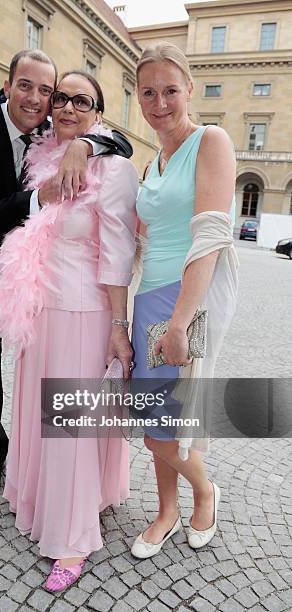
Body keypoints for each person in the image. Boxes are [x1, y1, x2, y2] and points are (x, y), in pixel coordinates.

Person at [0, 50, 132, 502]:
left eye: (46, 92)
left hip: (45, 278)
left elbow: (119, 144)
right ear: (7, 85)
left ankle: (45, 470)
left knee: (37, 374)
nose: (37, 99)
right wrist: (38, 199)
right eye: (26, 86)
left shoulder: (56, 130)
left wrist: (83, 144)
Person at [0, 70, 138, 591]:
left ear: (98, 111)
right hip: (42, 311)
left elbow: (118, 254)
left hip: (82, 311)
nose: (67, 108)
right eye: (60, 98)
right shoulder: (42, 156)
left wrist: (120, 327)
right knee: (40, 414)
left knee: (69, 423)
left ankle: (72, 538)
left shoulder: (112, 169)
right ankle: (42, 499)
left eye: (82, 100)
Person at [130, 41, 238, 559]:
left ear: (189, 89)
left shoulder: (210, 140)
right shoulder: (153, 162)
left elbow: (212, 233)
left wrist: (180, 321)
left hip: (186, 298)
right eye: (148, 92)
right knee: (157, 420)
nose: (160, 102)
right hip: (147, 296)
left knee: (167, 428)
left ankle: (204, 491)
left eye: (170, 90)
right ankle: (166, 511)